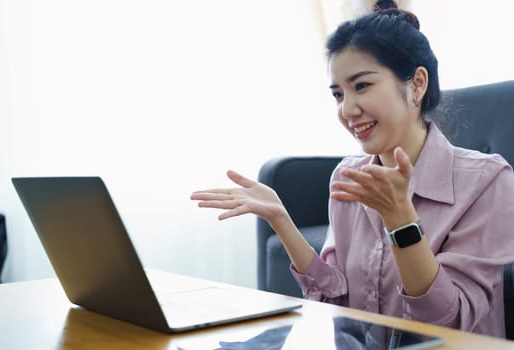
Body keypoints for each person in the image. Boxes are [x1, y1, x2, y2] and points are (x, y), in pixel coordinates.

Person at [190, 0, 514, 338]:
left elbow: (447, 326)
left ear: (417, 84)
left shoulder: (487, 182)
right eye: (337, 94)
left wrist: (401, 221)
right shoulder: (348, 177)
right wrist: (281, 219)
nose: (347, 109)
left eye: (361, 86)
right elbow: (337, 304)